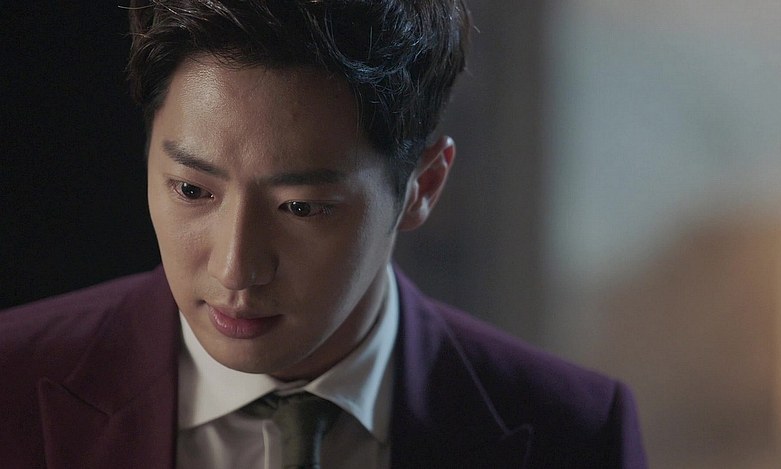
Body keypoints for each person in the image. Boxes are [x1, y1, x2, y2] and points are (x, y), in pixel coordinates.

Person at [0, 1, 647, 467]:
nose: (234, 268)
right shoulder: (14, 383)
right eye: (193, 191)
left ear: (422, 186)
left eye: (301, 207)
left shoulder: (574, 433)